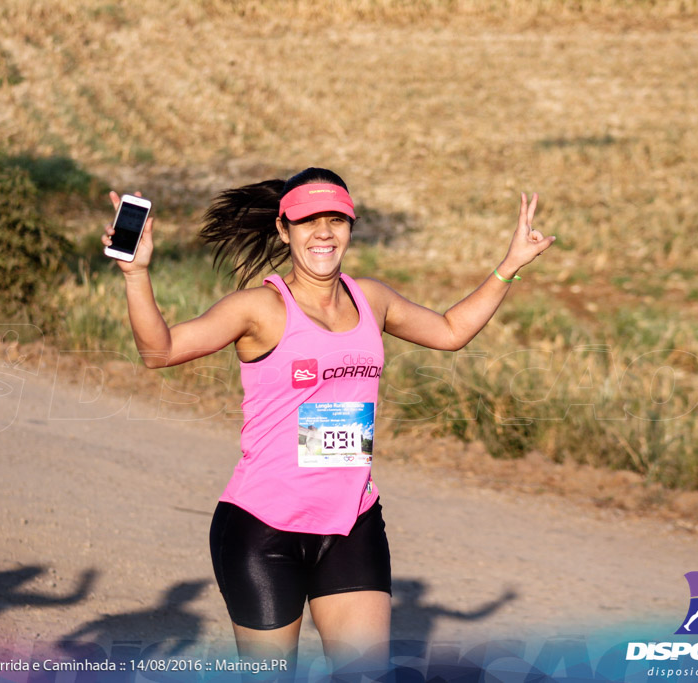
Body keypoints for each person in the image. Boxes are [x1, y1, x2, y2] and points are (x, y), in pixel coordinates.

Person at [103, 167, 554, 673]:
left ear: (351, 226)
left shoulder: (372, 300)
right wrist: (135, 273)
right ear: (283, 230)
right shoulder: (262, 308)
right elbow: (159, 352)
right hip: (263, 529)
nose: (323, 232)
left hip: (351, 523)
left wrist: (510, 264)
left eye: (335, 219)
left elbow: (450, 331)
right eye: (307, 220)